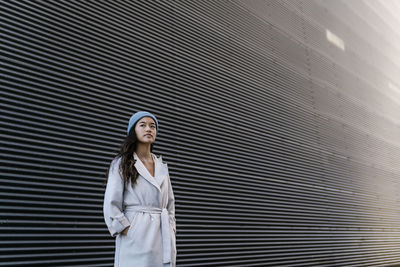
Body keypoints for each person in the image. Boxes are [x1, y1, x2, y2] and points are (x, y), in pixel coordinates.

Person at [103, 111, 176, 267]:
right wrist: (129, 229)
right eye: (142, 125)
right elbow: (111, 203)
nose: (148, 129)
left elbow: (170, 203)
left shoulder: (162, 166)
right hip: (136, 235)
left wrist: (170, 226)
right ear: (133, 131)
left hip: (161, 234)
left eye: (152, 126)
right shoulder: (121, 163)